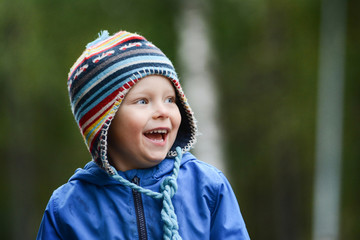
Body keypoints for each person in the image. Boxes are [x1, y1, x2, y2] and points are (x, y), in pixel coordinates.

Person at [37, 29, 250, 240]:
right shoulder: (68, 208)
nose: (163, 112)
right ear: (104, 122)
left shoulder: (206, 186)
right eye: (143, 101)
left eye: (170, 99)